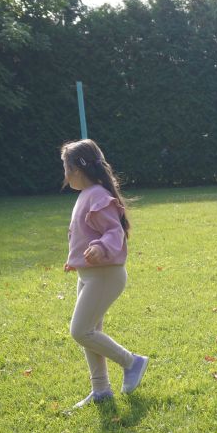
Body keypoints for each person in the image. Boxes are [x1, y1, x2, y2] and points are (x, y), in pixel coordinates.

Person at [62, 139, 148, 407]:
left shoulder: (98, 196)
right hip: (89, 275)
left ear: (77, 169)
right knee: (91, 332)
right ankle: (100, 390)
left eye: (65, 168)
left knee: (81, 331)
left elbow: (114, 231)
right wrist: (76, 259)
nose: (64, 174)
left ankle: (131, 362)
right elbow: (83, 233)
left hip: (106, 276)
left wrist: (101, 247)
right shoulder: (86, 195)